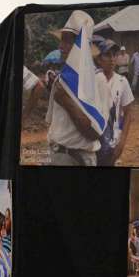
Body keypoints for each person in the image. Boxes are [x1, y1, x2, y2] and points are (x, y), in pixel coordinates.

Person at [45, 12, 110, 166]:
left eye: (68, 41)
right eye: (62, 40)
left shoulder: (97, 80)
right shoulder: (61, 79)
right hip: (55, 153)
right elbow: (51, 123)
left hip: (79, 158)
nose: (61, 47)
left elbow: (95, 132)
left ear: (82, 47)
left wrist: (66, 101)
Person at [95, 39, 134, 167]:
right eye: (107, 55)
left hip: (112, 142)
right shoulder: (92, 81)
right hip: (92, 141)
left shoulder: (122, 81)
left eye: (114, 55)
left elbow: (128, 113)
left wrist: (122, 143)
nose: (112, 59)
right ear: (99, 59)